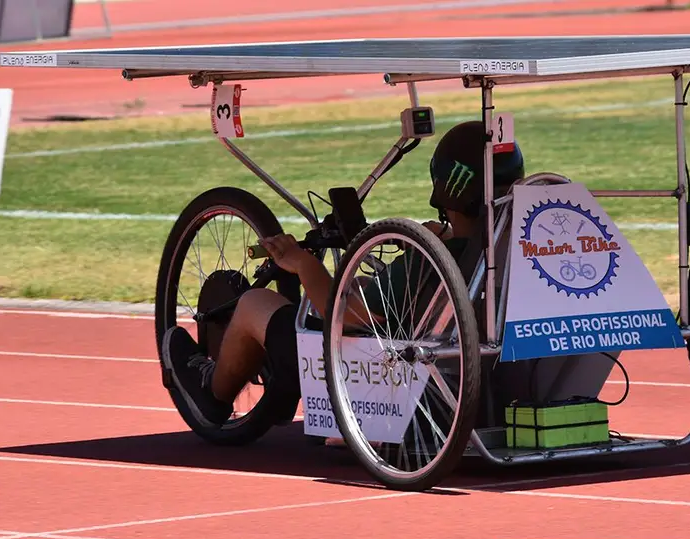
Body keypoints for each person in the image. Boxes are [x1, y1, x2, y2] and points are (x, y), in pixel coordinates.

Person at [162, 120, 525, 428]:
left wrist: (302, 262)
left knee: (256, 302)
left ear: (445, 188)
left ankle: (213, 392)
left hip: (398, 387)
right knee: (365, 284)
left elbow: (346, 316)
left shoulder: (428, 261)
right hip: (481, 379)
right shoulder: (511, 251)